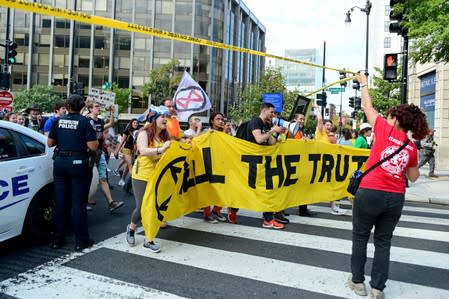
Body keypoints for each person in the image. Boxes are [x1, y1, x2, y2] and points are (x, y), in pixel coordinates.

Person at [348, 73, 429, 299]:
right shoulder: (411, 148)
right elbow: (413, 177)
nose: (386, 115)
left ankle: (357, 282)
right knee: (383, 242)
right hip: (394, 197)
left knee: (360, 237)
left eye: (389, 114)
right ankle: (377, 288)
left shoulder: (383, 128)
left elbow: (366, 104)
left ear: (395, 118)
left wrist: (363, 82)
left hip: (370, 191)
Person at [47, 95, 98, 252]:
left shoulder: (57, 121)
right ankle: (81, 241)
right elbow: (93, 146)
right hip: (78, 164)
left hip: (60, 163)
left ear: (67, 106)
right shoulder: (84, 122)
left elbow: (50, 143)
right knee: (78, 203)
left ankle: (57, 240)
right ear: (82, 106)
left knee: (60, 203)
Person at [126, 105, 172, 252]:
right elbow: (143, 150)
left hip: (157, 175)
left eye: (167, 116)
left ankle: (149, 239)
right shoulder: (144, 133)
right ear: (154, 119)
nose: (166, 119)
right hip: (141, 174)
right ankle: (132, 228)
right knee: (141, 207)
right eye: (163, 116)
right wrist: (161, 149)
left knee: (153, 207)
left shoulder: (165, 135)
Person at [233, 102, 286, 229]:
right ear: (264, 111)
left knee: (264, 189)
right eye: (271, 112)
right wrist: (272, 130)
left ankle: (268, 219)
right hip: (250, 161)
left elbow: (270, 143)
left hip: (260, 161)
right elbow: (259, 139)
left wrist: (275, 133)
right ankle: (233, 208)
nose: (273, 115)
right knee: (248, 189)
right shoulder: (255, 122)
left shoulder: (267, 124)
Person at [86, 101, 124, 212]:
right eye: (96, 107)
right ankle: (84, 201)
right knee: (86, 177)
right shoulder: (86, 121)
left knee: (103, 178)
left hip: (98, 152)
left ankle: (111, 203)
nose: (99, 108)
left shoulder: (100, 121)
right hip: (88, 152)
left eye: (99, 106)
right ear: (90, 109)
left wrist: (112, 113)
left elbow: (110, 124)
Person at [314, 106, 347, 216]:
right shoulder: (320, 132)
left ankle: (334, 206)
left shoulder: (327, 136)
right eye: (327, 125)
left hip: (327, 164)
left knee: (333, 184)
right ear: (323, 126)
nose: (329, 126)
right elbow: (319, 120)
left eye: (330, 125)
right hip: (319, 164)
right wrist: (317, 109)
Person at [292, 113, 317, 217]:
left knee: (303, 187)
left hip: (300, 164)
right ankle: (279, 211)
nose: (302, 121)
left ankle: (303, 209)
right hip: (293, 164)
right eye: (300, 119)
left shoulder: (300, 131)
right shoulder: (291, 130)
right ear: (295, 120)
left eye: (303, 119)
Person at [116, 119, 139, 186]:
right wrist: (117, 151)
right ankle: (134, 183)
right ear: (131, 123)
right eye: (134, 123)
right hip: (126, 149)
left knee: (127, 166)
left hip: (133, 150)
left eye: (137, 123)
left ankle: (122, 179)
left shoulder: (139, 132)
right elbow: (122, 141)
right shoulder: (127, 131)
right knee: (130, 165)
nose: (135, 124)